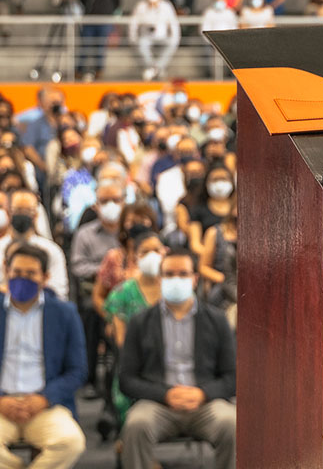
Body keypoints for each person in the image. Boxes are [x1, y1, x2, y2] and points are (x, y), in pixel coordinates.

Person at [0, 244, 86, 469]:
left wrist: (44, 398)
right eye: (17, 273)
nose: (22, 279)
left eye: (30, 274)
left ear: (45, 278)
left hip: (45, 405)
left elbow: (77, 370)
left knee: (71, 442)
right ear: (6, 272)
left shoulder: (65, 314)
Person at [118, 247, 236, 469]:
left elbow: (233, 377)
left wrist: (203, 393)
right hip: (158, 403)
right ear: (160, 278)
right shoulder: (140, 322)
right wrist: (166, 394)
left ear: (194, 278)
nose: (176, 280)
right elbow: (127, 379)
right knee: (136, 424)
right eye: (169, 274)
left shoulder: (217, 320)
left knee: (232, 423)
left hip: (205, 402)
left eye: (183, 274)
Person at [102, 231, 163, 428]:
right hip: (136, 364)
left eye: (157, 250)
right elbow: (121, 342)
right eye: (146, 251)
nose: (153, 255)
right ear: (135, 256)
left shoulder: (172, 291)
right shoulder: (122, 294)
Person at [70, 183, 124, 397]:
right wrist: (106, 270)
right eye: (105, 201)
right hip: (96, 291)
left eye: (116, 200)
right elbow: (77, 265)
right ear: (96, 205)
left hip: (128, 290)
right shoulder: (85, 234)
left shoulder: (128, 230)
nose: (111, 205)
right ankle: (90, 379)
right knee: (91, 314)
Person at [0, 191, 68, 302]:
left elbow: (59, 295)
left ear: (36, 215)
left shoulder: (52, 252)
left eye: (28, 211)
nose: (22, 215)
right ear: (8, 213)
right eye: (17, 210)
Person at [78, 0, 121, 81]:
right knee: (85, 45)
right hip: (89, 20)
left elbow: (117, 1)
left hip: (104, 21)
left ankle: (99, 70)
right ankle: (79, 70)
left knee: (100, 46)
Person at [129, 0, 180, 82]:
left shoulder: (167, 5)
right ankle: (157, 70)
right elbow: (133, 24)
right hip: (146, 37)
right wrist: (133, 39)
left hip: (162, 37)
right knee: (141, 43)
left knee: (172, 42)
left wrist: (175, 38)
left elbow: (174, 23)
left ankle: (153, 69)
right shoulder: (141, 6)